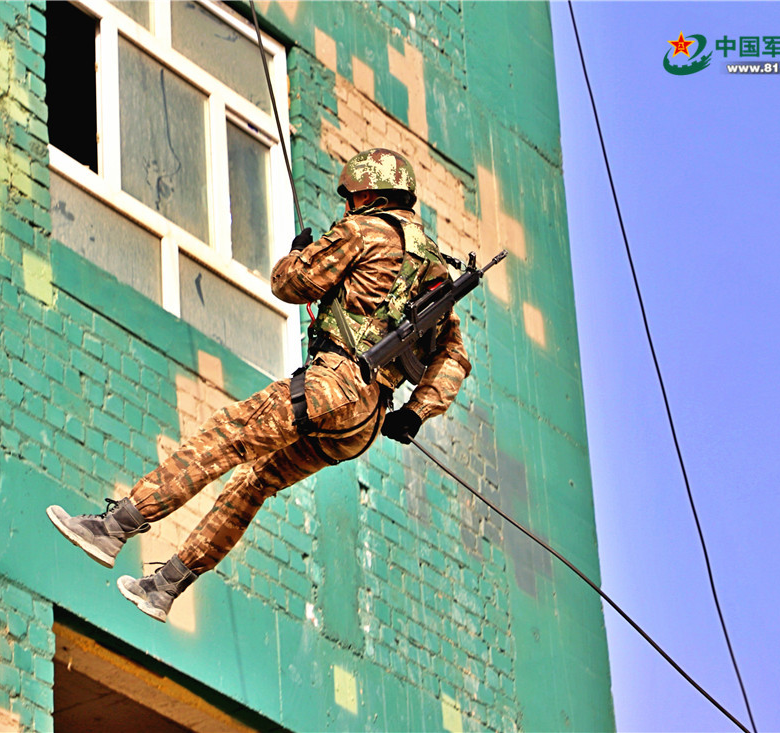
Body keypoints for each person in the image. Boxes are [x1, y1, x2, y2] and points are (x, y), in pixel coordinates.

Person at [46, 148, 472, 622]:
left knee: (226, 437)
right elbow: (454, 356)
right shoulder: (438, 273)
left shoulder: (363, 231)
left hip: (331, 384)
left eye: (351, 198)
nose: (347, 206)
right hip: (365, 421)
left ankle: (113, 528)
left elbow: (290, 285)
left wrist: (296, 254)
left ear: (370, 193)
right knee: (255, 482)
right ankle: (164, 588)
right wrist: (416, 412)